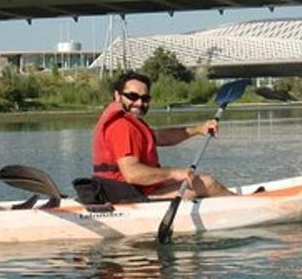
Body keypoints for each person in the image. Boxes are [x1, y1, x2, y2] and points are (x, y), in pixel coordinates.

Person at [92, 71, 235, 199]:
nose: (139, 103)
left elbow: (161, 137)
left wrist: (199, 129)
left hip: (129, 189)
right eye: (132, 96)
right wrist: (173, 173)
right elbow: (132, 173)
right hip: (128, 194)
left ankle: (233, 200)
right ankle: (245, 205)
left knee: (193, 179)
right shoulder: (122, 126)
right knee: (206, 183)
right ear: (117, 95)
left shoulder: (129, 122)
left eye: (145, 98)